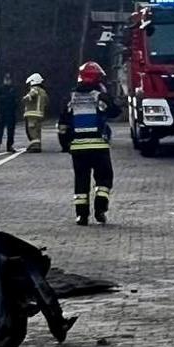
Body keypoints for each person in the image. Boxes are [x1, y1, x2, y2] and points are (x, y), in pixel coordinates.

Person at [61, 62, 120, 226]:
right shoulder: (100, 96)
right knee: (104, 178)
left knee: (81, 180)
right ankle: (100, 210)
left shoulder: (70, 99)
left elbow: (63, 124)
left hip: (78, 148)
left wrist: (66, 145)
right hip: (99, 147)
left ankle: (81, 216)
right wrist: (107, 97)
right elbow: (115, 112)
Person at [21, 73, 49, 152]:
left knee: (31, 131)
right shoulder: (43, 92)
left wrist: (25, 98)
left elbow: (31, 95)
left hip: (32, 114)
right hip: (40, 114)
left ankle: (35, 147)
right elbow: (46, 101)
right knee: (37, 131)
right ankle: (36, 145)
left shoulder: (35, 89)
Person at [0, 73, 20, 152]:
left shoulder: (13, 89)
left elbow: (16, 101)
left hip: (10, 112)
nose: (7, 81)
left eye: (9, 80)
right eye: (6, 79)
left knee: (11, 130)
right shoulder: (0, 89)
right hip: (2, 112)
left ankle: (9, 145)